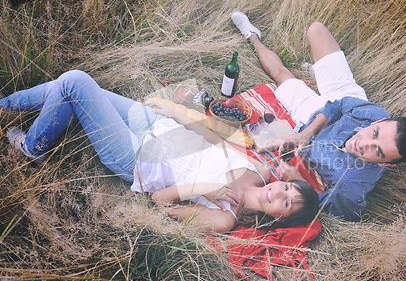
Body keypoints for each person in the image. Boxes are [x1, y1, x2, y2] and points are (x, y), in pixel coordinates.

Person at [0, 70, 319, 233]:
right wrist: (176, 113)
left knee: (74, 83)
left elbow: (160, 203)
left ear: (278, 218)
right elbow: (215, 139)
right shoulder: (260, 172)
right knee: (70, 86)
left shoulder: (225, 219)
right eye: (286, 189)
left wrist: (212, 188)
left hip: (137, 155)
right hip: (155, 124)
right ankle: (5, 108)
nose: (279, 193)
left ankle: (31, 147)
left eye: (286, 204)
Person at [231, 11, 406, 222]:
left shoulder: (351, 182)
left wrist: (297, 179)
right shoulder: (373, 113)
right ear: (378, 122)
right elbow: (338, 104)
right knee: (316, 30)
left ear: (386, 164)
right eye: (375, 133)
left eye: (377, 151)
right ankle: (318, 73)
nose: (364, 142)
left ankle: (252, 35)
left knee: (281, 74)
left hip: (306, 114)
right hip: (342, 97)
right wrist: (305, 134)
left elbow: (339, 214)